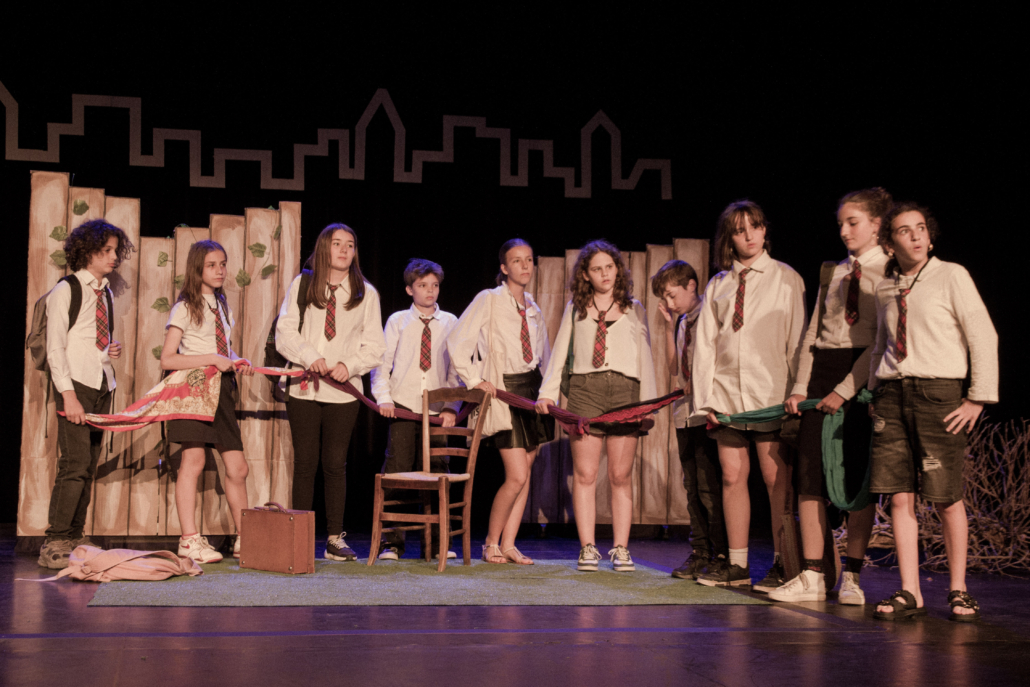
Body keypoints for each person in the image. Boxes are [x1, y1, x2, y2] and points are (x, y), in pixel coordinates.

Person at [868, 202, 997, 622]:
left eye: (921, 228)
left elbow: (982, 334)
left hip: (938, 393)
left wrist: (977, 397)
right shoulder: (885, 288)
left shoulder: (951, 275)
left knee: (945, 495)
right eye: (905, 231)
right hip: (892, 394)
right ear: (890, 243)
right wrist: (872, 393)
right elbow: (881, 345)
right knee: (899, 495)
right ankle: (911, 590)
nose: (916, 236)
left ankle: (959, 589)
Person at [771, 188, 892, 604]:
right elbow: (813, 332)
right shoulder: (834, 272)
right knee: (810, 475)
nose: (844, 231)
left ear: (876, 224)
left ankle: (853, 576)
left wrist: (845, 391)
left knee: (857, 479)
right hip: (823, 368)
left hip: (861, 372)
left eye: (853, 222)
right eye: (841, 223)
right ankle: (813, 574)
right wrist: (800, 386)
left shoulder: (888, 271)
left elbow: (879, 341)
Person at [692, 201, 806, 590]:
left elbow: (797, 340)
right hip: (727, 396)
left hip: (771, 393)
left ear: (764, 230)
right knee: (732, 475)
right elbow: (705, 346)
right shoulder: (719, 285)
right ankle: (738, 565)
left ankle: (782, 562)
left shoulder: (786, 278)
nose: (749, 236)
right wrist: (706, 401)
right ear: (730, 237)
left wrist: (798, 390)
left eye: (755, 227)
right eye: (740, 230)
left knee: (776, 480)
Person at [537, 240, 657, 572]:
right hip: (585, 390)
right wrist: (547, 393)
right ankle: (588, 547)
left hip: (625, 392)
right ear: (586, 275)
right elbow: (560, 351)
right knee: (586, 474)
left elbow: (645, 356)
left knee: (620, 475)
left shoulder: (635, 308)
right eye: (596, 269)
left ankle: (621, 548)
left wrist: (647, 404)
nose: (604, 274)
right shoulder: (576, 308)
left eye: (609, 267)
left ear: (618, 269)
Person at [275, 223, 386, 561]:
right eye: (337, 243)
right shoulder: (304, 283)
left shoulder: (366, 293)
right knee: (305, 462)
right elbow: (285, 331)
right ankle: (299, 537)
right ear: (324, 248)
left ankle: (335, 538)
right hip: (304, 387)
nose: (344, 250)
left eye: (350, 245)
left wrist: (349, 365)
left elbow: (375, 346)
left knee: (336, 464)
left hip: (343, 391)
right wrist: (310, 356)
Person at [447, 239, 552, 565]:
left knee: (526, 474)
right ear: (504, 268)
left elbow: (543, 354)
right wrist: (475, 380)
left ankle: (509, 544)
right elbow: (457, 340)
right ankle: (491, 542)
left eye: (529, 259)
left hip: (531, 390)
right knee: (516, 475)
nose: (525, 265)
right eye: (517, 261)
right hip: (505, 390)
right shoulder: (489, 299)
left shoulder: (533, 307)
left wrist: (548, 392)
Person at [38, 220, 134, 569]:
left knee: (88, 464)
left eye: (115, 250)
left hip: (100, 383)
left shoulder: (103, 292)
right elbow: (55, 348)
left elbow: (87, 338)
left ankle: (75, 535)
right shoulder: (67, 289)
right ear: (87, 251)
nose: (113, 257)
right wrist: (68, 395)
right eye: (106, 250)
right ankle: (55, 539)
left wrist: (108, 350)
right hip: (76, 384)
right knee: (74, 463)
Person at [160, 240, 253, 564]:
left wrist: (234, 359)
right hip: (194, 389)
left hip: (222, 390)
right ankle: (189, 540)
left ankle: (245, 538)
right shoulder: (185, 307)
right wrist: (213, 358)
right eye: (212, 265)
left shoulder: (222, 305)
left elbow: (220, 348)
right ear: (197, 268)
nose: (220, 270)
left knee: (238, 468)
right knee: (194, 460)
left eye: (223, 264)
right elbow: (168, 359)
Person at [371, 258, 460, 561]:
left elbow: (457, 368)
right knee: (397, 472)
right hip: (403, 406)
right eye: (423, 285)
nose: (430, 291)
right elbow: (382, 364)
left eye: (434, 285)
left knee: (438, 473)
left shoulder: (451, 322)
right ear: (410, 289)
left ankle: (437, 543)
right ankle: (392, 543)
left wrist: (451, 406)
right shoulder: (398, 321)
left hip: (436, 411)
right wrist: (384, 398)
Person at [651, 259, 727, 580]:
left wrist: (699, 384)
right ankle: (699, 551)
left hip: (706, 412)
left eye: (672, 295)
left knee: (710, 487)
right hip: (684, 413)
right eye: (665, 298)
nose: (669, 303)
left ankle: (721, 553)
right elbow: (674, 368)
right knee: (692, 488)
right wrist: (669, 327)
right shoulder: (683, 322)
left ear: (691, 285)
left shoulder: (710, 314)